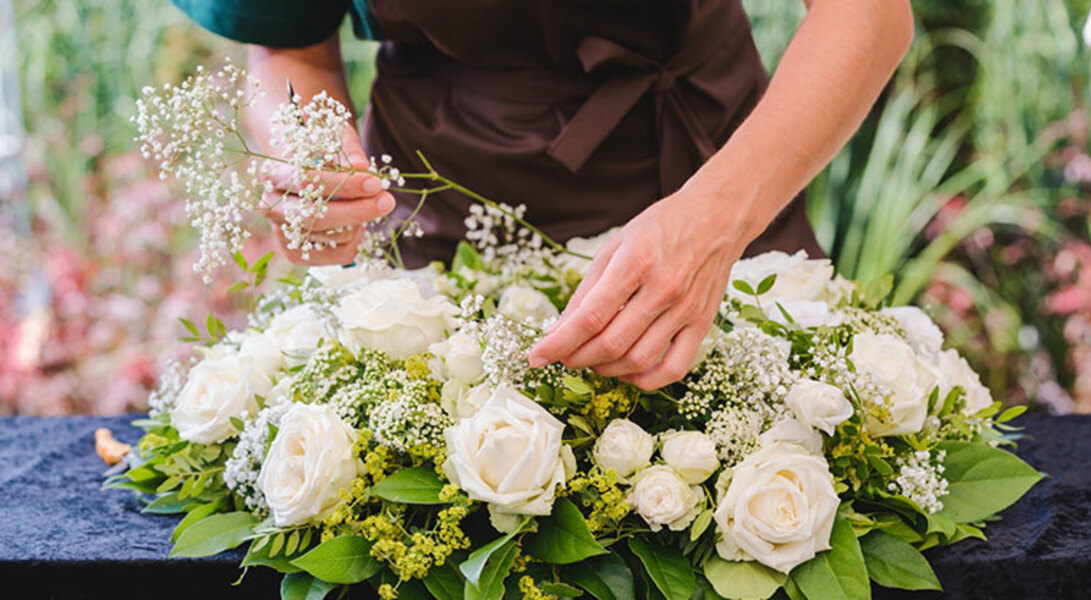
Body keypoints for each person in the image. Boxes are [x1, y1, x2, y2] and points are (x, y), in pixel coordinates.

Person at [173, 0, 914, 390]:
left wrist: (716, 220)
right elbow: (287, 44)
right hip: (438, 213)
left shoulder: (720, 214)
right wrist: (311, 161)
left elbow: (868, 10)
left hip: (712, 179)